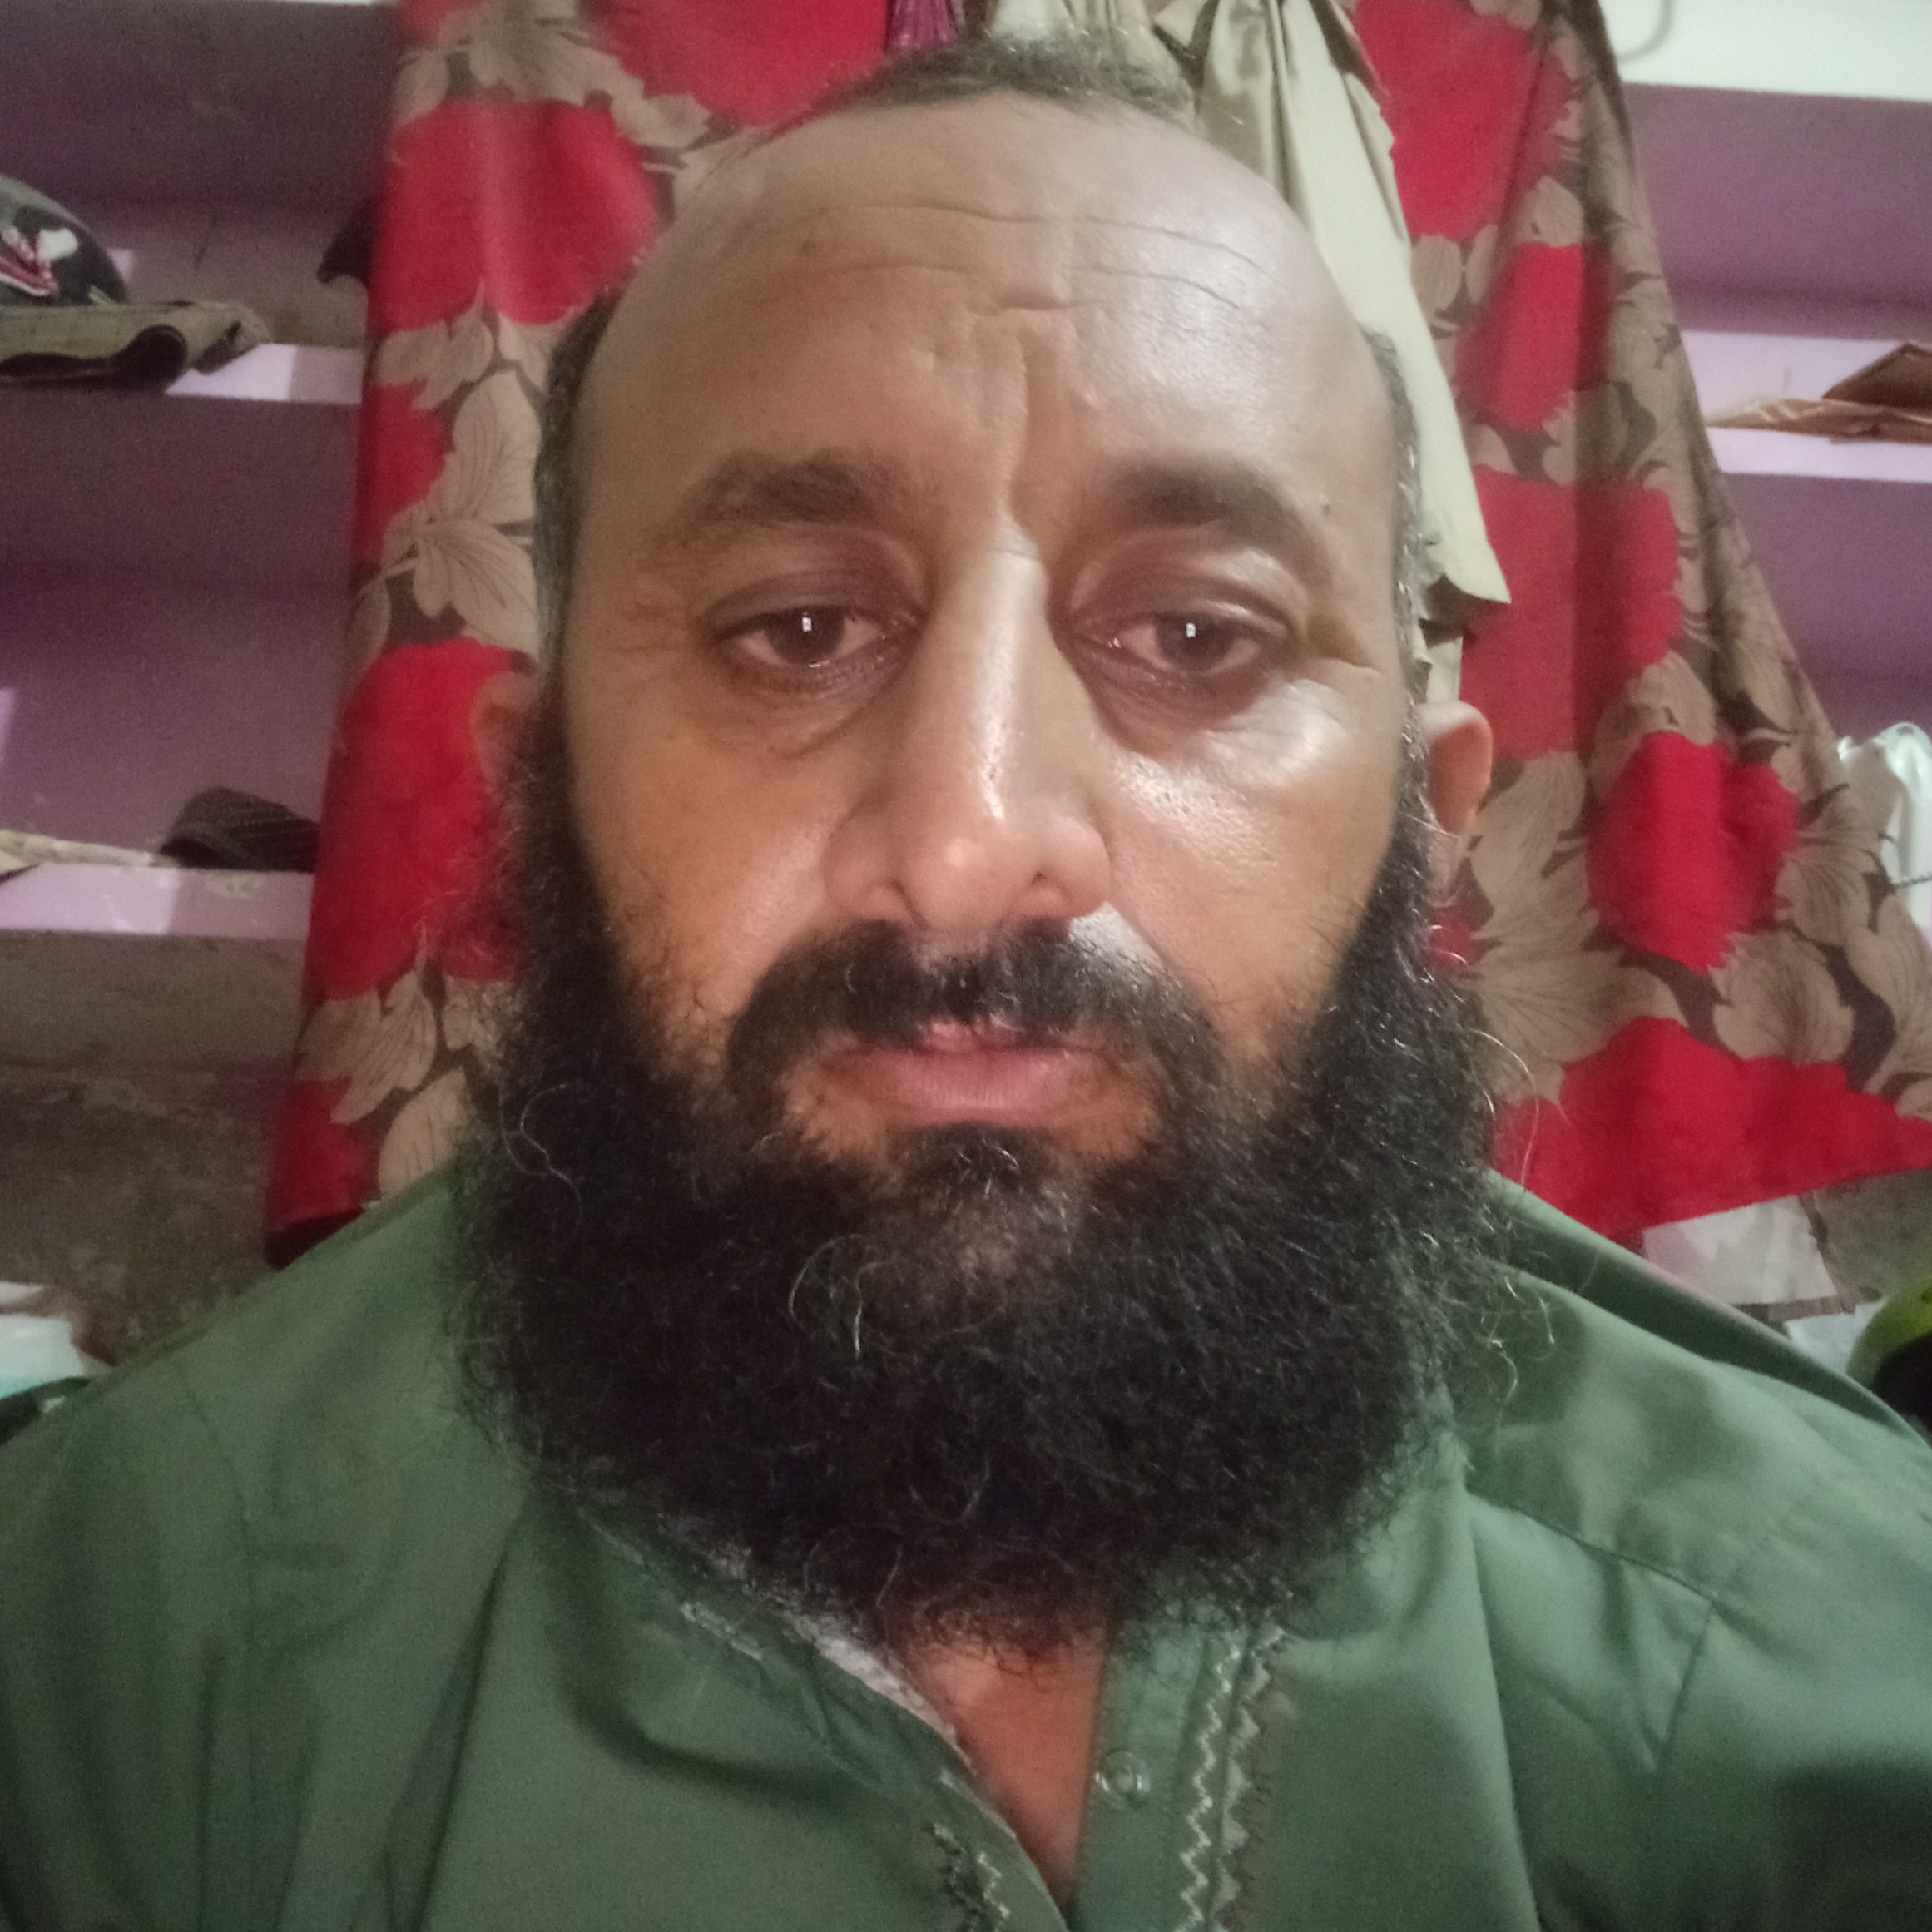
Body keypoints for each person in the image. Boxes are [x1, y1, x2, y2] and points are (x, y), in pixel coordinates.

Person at [2, 38, 1930, 1932]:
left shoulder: (1844, 1667)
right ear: (541, 789)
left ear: (1420, 829)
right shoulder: (115, 1644)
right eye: (796, 627)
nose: (967, 839)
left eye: (1197, 634)